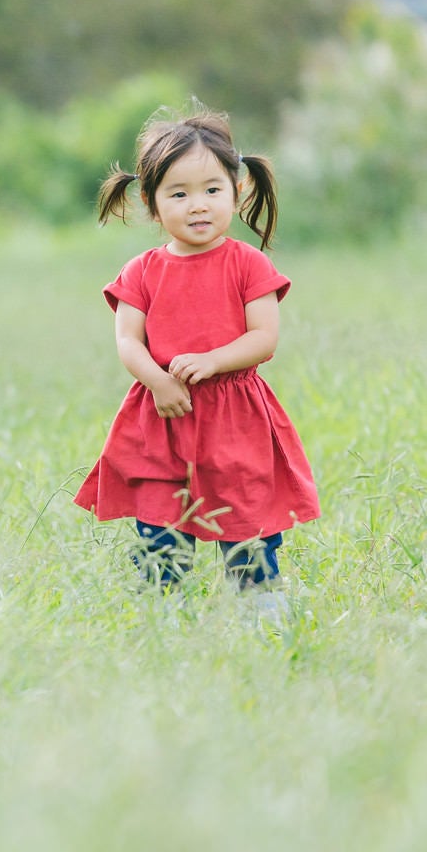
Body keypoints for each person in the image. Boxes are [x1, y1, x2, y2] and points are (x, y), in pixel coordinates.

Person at [74, 106, 319, 592]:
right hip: (164, 415)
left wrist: (212, 361)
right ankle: (164, 611)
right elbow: (128, 339)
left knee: (247, 517)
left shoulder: (248, 264)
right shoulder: (142, 270)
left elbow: (263, 338)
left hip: (235, 416)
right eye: (179, 194)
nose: (198, 205)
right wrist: (158, 380)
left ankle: (259, 607)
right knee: (160, 524)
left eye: (212, 190)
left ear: (237, 190)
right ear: (151, 201)